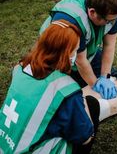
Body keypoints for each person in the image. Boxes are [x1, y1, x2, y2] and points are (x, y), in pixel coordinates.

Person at [0, 20, 100, 154]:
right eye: (75, 50)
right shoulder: (66, 89)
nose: (75, 55)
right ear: (66, 53)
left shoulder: (19, 69)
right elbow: (84, 138)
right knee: (92, 105)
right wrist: (82, 100)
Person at [39, 0, 117, 100]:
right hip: (57, 53)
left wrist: (105, 76)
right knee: (70, 92)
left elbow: (109, 45)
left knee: (112, 74)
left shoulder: (111, 13)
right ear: (92, 12)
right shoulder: (73, 21)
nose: (112, 22)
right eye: (108, 20)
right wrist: (95, 85)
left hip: (82, 49)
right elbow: (79, 60)